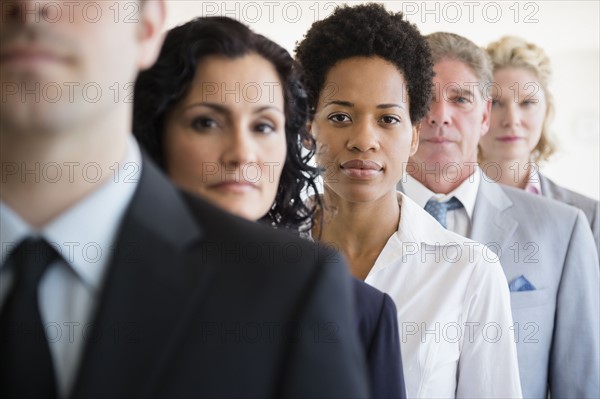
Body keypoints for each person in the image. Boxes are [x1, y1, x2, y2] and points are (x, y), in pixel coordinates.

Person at [0, 1, 370, 398]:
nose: (30, 6)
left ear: (147, 25)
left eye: (264, 125)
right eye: (206, 122)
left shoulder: (293, 291)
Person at [133, 16, 405, 399]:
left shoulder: (362, 314)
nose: (242, 154)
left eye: (263, 127)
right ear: (155, 133)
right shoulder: (96, 281)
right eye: (207, 122)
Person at [295, 4, 522, 398]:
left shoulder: (469, 272)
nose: (364, 140)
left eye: (388, 119)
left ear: (414, 136)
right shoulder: (267, 252)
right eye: (339, 117)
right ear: (307, 129)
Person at [401, 31, 600, 398]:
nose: (440, 115)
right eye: (425, 98)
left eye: (460, 98)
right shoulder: (349, 220)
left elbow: (580, 382)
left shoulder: (566, 227)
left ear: (483, 115)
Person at [480, 35, 599, 254]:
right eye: (495, 103)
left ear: (547, 112)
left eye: (527, 103)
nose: (512, 119)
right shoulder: (437, 207)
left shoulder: (587, 215)